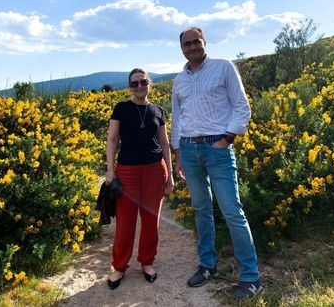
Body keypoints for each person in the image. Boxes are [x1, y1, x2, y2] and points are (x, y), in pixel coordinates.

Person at [171, 27, 261, 300]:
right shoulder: (178, 80)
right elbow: (178, 118)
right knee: (201, 210)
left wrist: (228, 137)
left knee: (232, 211)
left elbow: (241, 106)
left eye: (196, 41)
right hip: (189, 149)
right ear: (181, 48)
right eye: (187, 43)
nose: (192, 46)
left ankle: (250, 278)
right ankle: (207, 265)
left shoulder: (223, 68)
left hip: (217, 148)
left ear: (204, 42)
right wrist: (178, 153)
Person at [105, 68, 174, 290]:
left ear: (149, 83)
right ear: (130, 87)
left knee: (151, 220)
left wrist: (170, 174)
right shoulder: (122, 108)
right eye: (134, 83)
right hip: (127, 171)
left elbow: (164, 143)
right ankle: (119, 266)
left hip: (155, 170)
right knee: (125, 221)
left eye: (143, 81)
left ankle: (146, 262)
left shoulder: (158, 110)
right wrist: (109, 171)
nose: (139, 86)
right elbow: (112, 139)